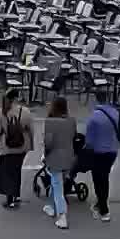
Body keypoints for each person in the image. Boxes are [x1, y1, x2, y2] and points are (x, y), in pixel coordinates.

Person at [81, 91, 120, 222]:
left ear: (96, 100)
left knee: (99, 180)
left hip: (98, 152)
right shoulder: (115, 113)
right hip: (112, 151)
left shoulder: (94, 117)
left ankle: (103, 209)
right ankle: (101, 203)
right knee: (105, 178)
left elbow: (89, 141)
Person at [0, 89, 34, 209]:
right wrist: (31, 146)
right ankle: (15, 195)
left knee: (6, 172)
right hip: (21, 146)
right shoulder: (25, 111)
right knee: (16, 170)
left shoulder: (0, 112)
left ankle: (10, 198)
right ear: (17, 98)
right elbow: (30, 130)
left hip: (6, 146)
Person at [41, 97, 77, 229]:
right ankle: (51, 206)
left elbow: (48, 143)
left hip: (55, 158)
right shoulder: (71, 121)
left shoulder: (49, 122)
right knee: (56, 182)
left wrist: (45, 155)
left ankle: (62, 215)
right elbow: (74, 136)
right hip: (69, 157)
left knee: (57, 187)